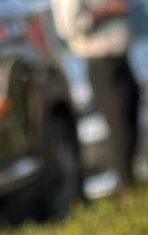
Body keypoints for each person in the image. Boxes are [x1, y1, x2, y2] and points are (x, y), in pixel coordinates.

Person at [52, 0, 140, 188]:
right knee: (118, 125)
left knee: (131, 114)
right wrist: (108, 10)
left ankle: (131, 179)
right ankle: (125, 186)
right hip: (101, 63)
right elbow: (69, 26)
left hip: (121, 58)